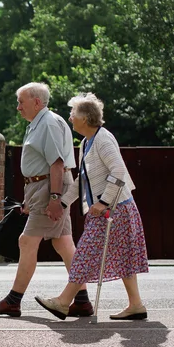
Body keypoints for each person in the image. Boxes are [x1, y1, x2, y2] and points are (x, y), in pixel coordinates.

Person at [35, 93, 149, 321]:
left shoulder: (103, 140)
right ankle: (136, 305)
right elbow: (82, 180)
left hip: (114, 209)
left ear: (85, 118)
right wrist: (64, 202)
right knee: (122, 257)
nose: (70, 117)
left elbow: (118, 171)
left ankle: (63, 302)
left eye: (73, 113)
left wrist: (104, 201)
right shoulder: (88, 142)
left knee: (84, 254)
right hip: (113, 209)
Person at [0, 82, 92, 318]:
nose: (18, 107)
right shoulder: (39, 123)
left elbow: (57, 163)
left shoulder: (48, 123)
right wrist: (30, 198)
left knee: (26, 241)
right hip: (43, 187)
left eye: (21, 102)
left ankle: (13, 300)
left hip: (50, 187)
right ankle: (82, 300)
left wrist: (54, 198)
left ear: (37, 102)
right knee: (63, 243)